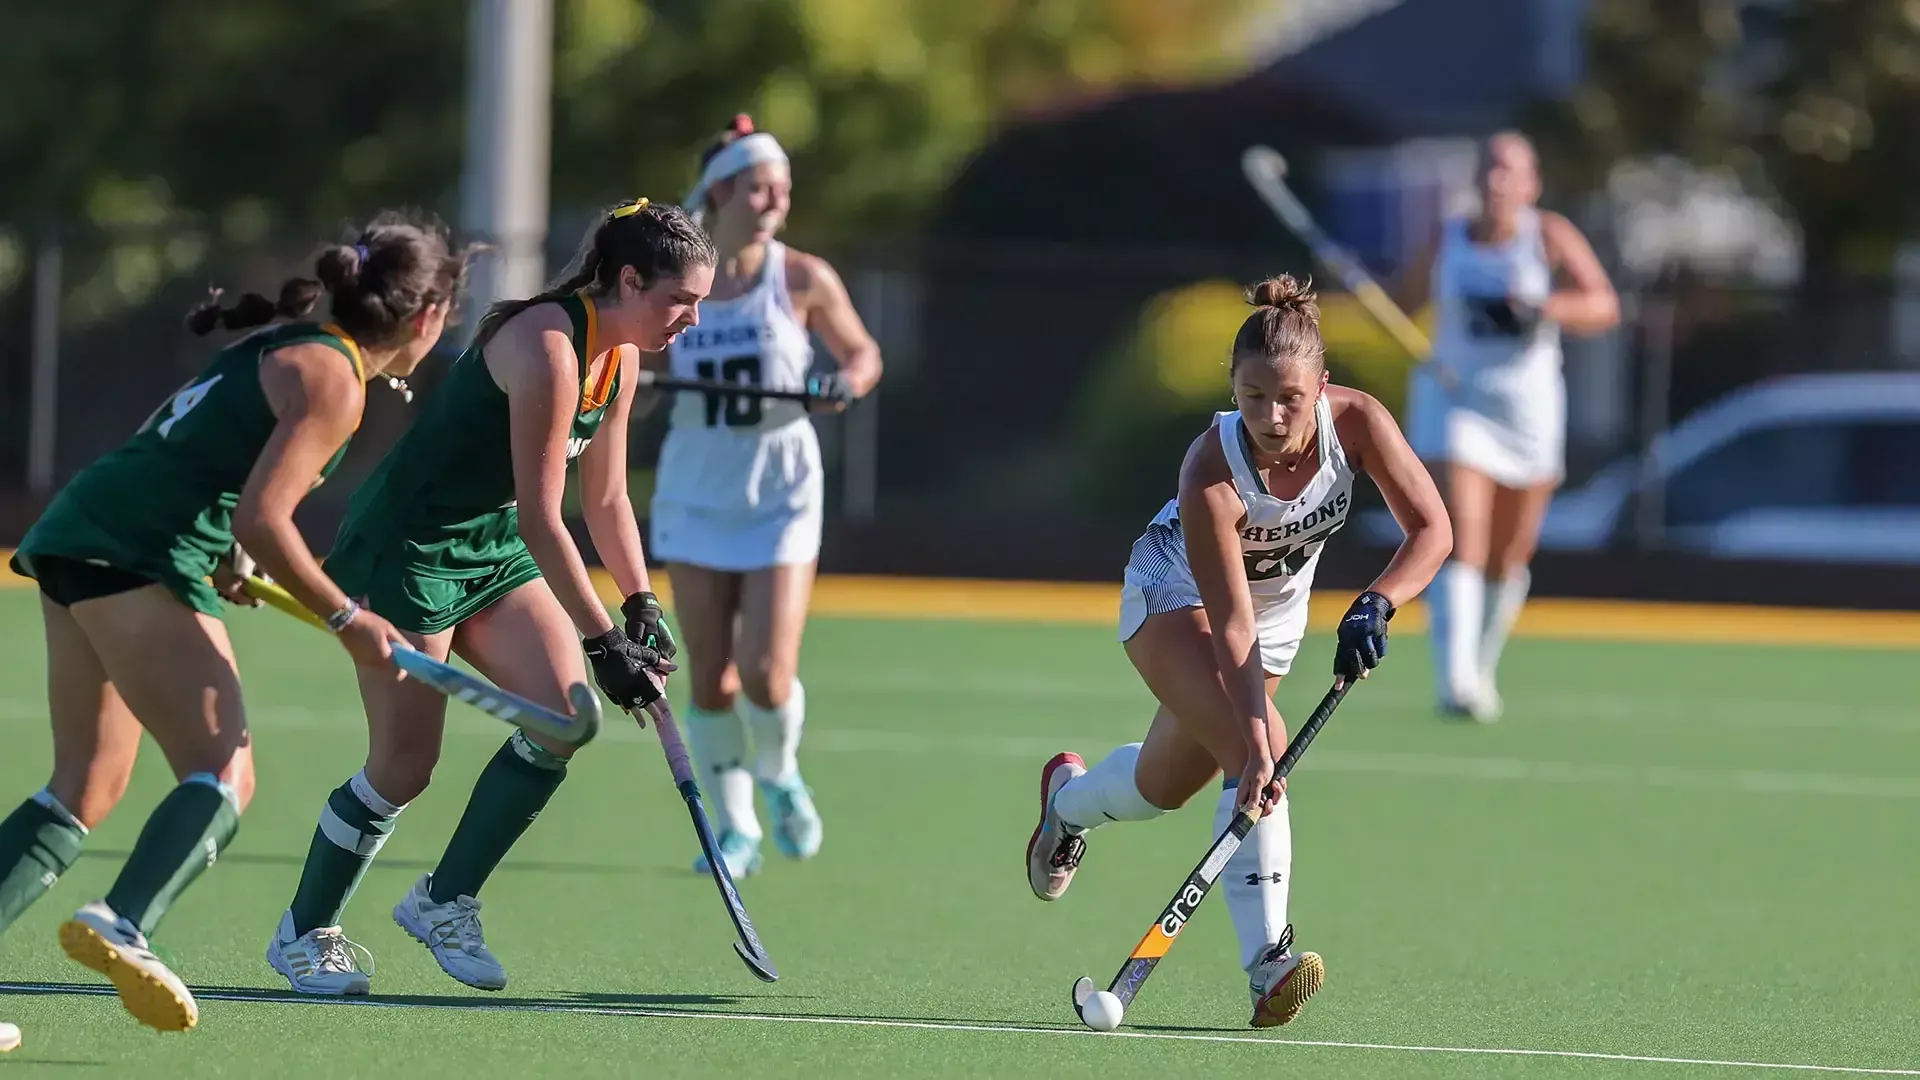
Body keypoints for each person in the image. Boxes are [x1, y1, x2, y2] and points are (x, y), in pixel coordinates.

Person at [0, 213, 467, 1031]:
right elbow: (263, 516)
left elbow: (188, 457)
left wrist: (228, 559)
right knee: (224, 772)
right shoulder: (337, 380)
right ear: (427, 318)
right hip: (142, 549)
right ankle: (124, 922)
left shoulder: (280, 345)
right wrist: (348, 615)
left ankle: (114, 916)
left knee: (83, 786)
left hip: (81, 530)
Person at [267, 199, 716, 996]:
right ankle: (304, 933)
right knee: (405, 767)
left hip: (490, 549)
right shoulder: (547, 346)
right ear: (628, 278)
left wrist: (641, 602)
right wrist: (603, 639)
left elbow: (606, 498)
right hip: (409, 547)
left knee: (566, 719)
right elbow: (548, 516)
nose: (689, 320)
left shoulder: (623, 355)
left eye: (698, 306)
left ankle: (443, 901)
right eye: (679, 301)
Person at [1024, 276, 1451, 1028]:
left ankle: (1066, 804)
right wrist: (1257, 741)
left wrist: (1379, 600)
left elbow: (1432, 532)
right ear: (1233, 388)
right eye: (1253, 398)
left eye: (1289, 397)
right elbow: (1230, 630)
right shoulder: (1210, 472)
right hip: (1174, 592)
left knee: (1164, 786)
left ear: (1321, 385)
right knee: (1258, 749)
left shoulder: (1358, 424)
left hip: (1279, 617)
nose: (1272, 416)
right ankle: (1268, 963)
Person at [652, 115, 882, 878]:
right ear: (720, 193)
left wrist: (843, 384)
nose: (775, 199)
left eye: (782, 186)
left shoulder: (803, 277)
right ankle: (735, 826)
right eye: (758, 186)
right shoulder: (676, 277)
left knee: (765, 674)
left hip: (780, 491)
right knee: (710, 676)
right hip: (694, 494)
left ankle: (780, 775)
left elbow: (862, 355)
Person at [1400, 131, 1619, 721]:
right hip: (1455, 403)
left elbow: (1602, 304)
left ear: (1531, 184)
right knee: (1461, 536)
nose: (1496, 180)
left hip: (1526, 411)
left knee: (1508, 555)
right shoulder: (1446, 238)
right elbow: (1404, 297)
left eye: (1509, 171)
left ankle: (1482, 666)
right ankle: (1454, 680)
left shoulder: (1547, 236)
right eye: (1489, 168)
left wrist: (1542, 307)